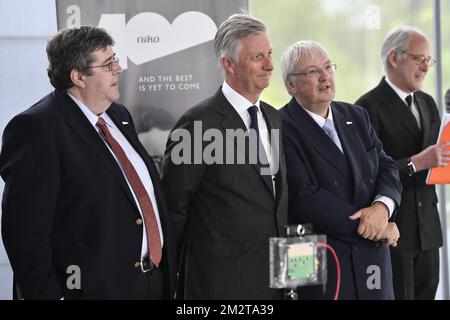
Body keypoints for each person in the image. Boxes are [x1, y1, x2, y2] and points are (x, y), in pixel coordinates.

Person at [0, 26, 176, 299]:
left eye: (115, 59)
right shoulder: (37, 129)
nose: (119, 68)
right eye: (108, 64)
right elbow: (25, 235)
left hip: (151, 282)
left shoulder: (118, 115)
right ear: (78, 76)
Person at [160, 14, 288, 299]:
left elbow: (274, 198)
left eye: (269, 54)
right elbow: (172, 208)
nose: (269, 65)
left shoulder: (273, 118)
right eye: (258, 57)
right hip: (218, 284)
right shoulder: (197, 124)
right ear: (228, 64)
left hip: (273, 280)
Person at [280, 40, 402, 299]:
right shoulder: (279, 125)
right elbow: (304, 196)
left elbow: (386, 166)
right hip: (313, 255)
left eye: (328, 67)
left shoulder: (356, 115)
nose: (325, 77)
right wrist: (377, 228)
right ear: (291, 85)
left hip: (371, 257)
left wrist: (383, 209)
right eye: (313, 72)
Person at [356, 26, 447, 299]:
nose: (426, 66)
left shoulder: (428, 103)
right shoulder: (366, 108)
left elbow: (437, 155)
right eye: (419, 58)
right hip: (394, 231)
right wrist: (415, 163)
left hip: (429, 229)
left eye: (428, 60)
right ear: (394, 58)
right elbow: (365, 174)